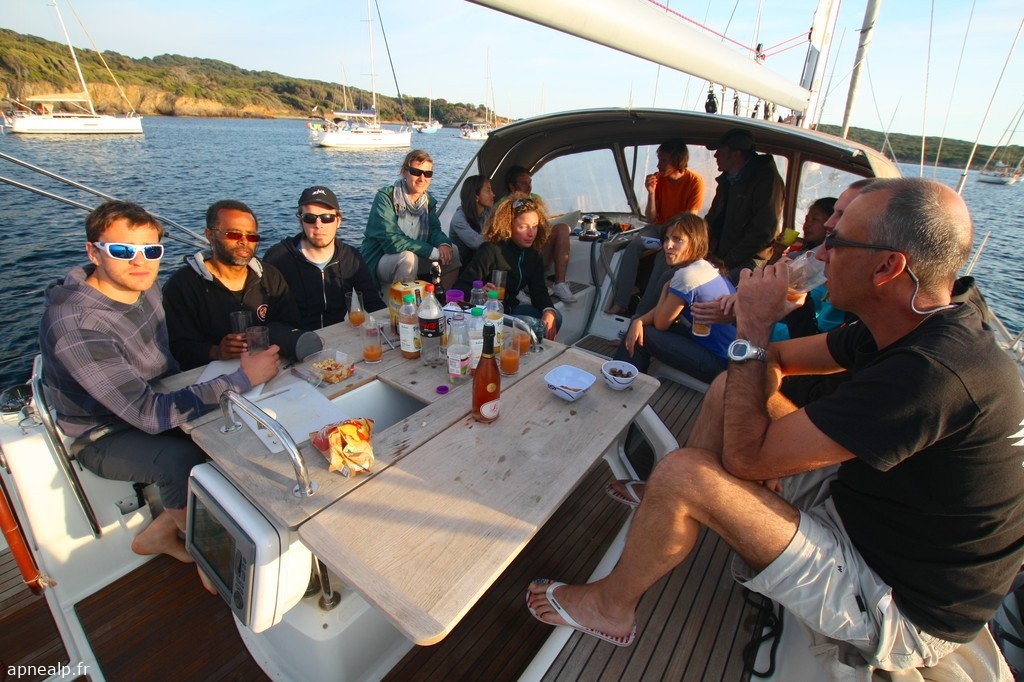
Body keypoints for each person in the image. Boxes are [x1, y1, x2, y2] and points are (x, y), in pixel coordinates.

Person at [527, 179, 1024, 674]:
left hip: (893, 598)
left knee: (684, 474)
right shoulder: (911, 324)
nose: (820, 254)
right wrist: (753, 328)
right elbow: (777, 360)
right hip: (871, 507)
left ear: (887, 267)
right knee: (729, 388)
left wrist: (753, 327)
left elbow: (747, 450)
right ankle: (674, 505)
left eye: (836, 242)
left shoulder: (932, 372)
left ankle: (611, 605)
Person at [39, 200, 279, 573]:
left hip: (159, 392)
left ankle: (162, 529)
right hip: (104, 433)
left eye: (151, 251)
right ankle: (206, 559)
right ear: (93, 252)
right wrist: (242, 379)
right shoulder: (77, 326)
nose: (140, 262)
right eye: (123, 251)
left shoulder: (145, 287)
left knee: (243, 433)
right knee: (181, 460)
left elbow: (166, 367)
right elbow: (149, 415)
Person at [163, 199, 319, 370]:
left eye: (251, 236)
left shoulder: (270, 276)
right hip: (211, 375)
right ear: (210, 235)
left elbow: (291, 322)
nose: (244, 241)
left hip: (271, 365)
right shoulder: (182, 286)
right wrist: (216, 351)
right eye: (234, 234)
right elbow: (177, 347)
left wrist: (267, 337)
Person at [613, 214, 735, 383]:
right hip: (731, 355)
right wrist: (638, 320)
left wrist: (665, 288)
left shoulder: (686, 276)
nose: (668, 246)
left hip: (721, 365)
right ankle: (623, 375)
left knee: (644, 334)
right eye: (666, 239)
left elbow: (661, 324)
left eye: (677, 239)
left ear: (695, 242)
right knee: (639, 325)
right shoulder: (707, 267)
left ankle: (620, 380)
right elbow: (667, 309)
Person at [606, 140, 705, 316]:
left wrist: (668, 240)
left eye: (664, 161)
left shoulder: (694, 182)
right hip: (659, 227)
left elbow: (689, 222)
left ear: (678, 161)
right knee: (633, 247)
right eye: (659, 160)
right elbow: (651, 218)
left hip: (678, 231)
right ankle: (621, 302)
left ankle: (643, 312)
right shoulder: (659, 179)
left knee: (662, 259)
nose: (659, 165)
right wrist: (651, 192)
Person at [264, 185, 385, 330]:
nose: (318, 225)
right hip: (294, 338)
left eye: (327, 218)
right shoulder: (277, 259)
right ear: (301, 220)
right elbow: (265, 314)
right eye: (309, 218)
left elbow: (372, 302)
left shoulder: (351, 257)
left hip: (336, 335)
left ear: (338, 221)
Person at [454, 193, 561, 339]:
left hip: (511, 308)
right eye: (523, 227)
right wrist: (480, 292)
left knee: (556, 318)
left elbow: (539, 291)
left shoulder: (533, 254)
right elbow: (459, 288)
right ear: (508, 225)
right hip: (488, 314)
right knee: (531, 325)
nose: (531, 233)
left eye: (535, 226)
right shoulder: (490, 250)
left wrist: (549, 311)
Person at [360, 149, 460, 292]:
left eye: (427, 174)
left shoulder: (427, 202)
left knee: (452, 252)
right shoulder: (385, 198)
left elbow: (434, 230)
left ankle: (443, 299)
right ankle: (405, 304)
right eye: (416, 172)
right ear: (404, 172)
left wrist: (443, 244)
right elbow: (392, 240)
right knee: (407, 258)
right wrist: (431, 251)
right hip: (380, 260)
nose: (422, 178)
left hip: (414, 255)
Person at [704, 128, 785, 282]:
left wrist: (726, 262)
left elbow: (762, 233)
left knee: (708, 285)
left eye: (720, 151)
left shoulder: (767, 181)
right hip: (720, 253)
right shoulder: (728, 180)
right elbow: (712, 218)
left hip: (749, 259)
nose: (715, 155)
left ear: (736, 154)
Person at [503, 165, 576, 303]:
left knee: (562, 228)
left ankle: (560, 283)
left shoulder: (536, 199)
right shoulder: (505, 205)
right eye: (524, 183)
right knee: (523, 235)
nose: (529, 187)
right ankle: (520, 285)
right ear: (512, 186)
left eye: (530, 182)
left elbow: (543, 227)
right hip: (516, 258)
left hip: (537, 254)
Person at [449, 175, 495, 267]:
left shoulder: (488, 212)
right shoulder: (459, 218)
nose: (493, 194)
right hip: (463, 265)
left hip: (481, 260)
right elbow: (476, 243)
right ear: (476, 197)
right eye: (488, 191)